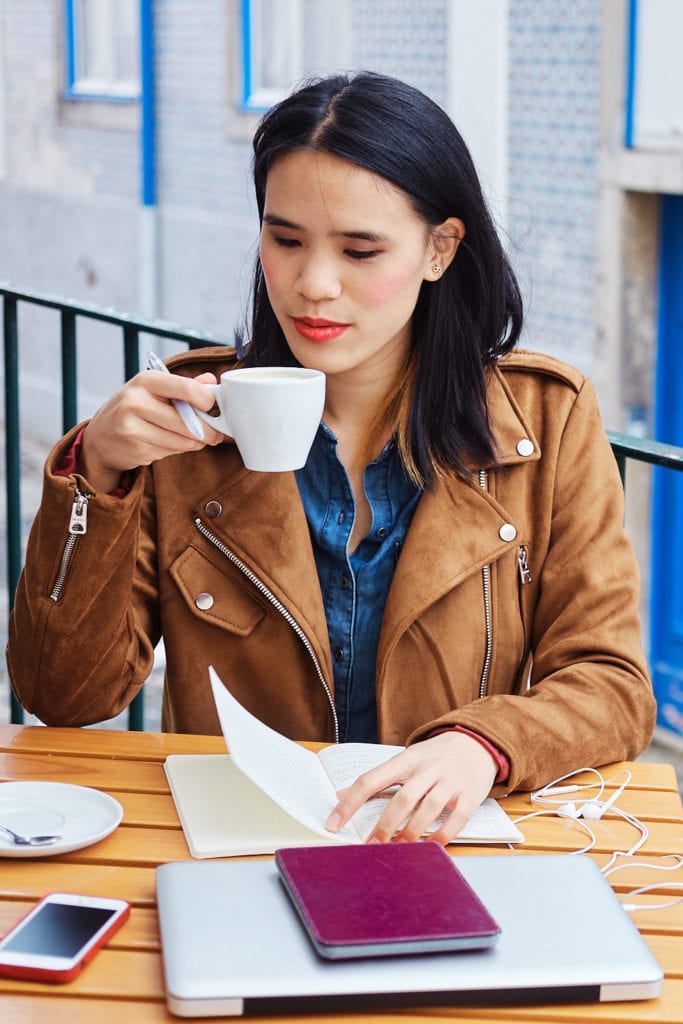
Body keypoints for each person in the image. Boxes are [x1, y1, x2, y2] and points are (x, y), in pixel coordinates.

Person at [7, 71, 655, 845]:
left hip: (450, 847)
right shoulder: (183, 423)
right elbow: (64, 696)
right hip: (238, 849)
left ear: (439, 249)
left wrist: (485, 742)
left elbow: (612, 686)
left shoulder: (544, 419)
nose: (313, 284)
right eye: (285, 241)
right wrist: (97, 477)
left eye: (359, 249)